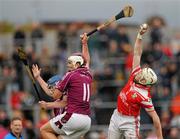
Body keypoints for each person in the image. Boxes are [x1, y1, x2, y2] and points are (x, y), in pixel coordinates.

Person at [32, 33, 92, 139]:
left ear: (77, 64)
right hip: (86, 121)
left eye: (71, 62)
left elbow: (54, 95)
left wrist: (47, 105)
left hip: (73, 117)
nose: (68, 65)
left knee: (44, 130)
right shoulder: (87, 73)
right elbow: (86, 60)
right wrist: (84, 43)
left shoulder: (70, 75)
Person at [108, 24, 163, 139]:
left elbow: (156, 119)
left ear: (144, 81)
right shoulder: (135, 74)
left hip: (130, 122)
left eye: (142, 74)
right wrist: (140, 35)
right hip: (116, 115)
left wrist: (160, 137)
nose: (139, 71)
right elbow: (137, 53)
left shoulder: (144, 96)